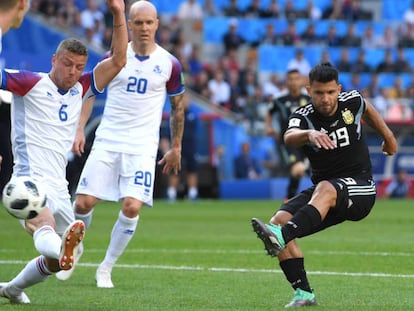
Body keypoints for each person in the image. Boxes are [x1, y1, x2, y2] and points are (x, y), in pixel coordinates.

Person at [0, 0, 128, 304]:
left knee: (59, 263)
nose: (72, 72)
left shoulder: (81, 88)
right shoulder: (28, 83)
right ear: (54, 59)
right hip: (28, 181)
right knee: (43, 227)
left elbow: (119, 60)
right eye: (67, 64)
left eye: (79, 67)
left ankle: (12, 289)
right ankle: (60, 246)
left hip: (59, 185)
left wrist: (119, 13)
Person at [56, 1, 185, 288]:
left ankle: (106, 268)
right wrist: (79, 129)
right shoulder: (114, 57)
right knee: (83, 202)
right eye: (137, 22)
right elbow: (89, 93)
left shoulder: (169, 63)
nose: (143, 28)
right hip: (108, 139)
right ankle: (75, 246)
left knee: (131, 207)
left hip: (142, 147)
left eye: (149, 22)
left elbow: (178, 108)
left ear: (157, 24)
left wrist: (176, 147)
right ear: (128, 23)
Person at [251, 62, 397, 308]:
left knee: (322, 192)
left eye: (331, 92)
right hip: (325, 192)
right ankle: (304, 293)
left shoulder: (352, 101)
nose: (326, 99)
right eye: (319, 93)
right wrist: (309, 134)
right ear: (309, 90)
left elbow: (367, 108)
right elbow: (288, 137)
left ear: (339, 89)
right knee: (278, 219)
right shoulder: (303, 117)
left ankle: (281, 237)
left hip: (360, 188)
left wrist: (389, 137)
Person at [265, 69, 310, 200]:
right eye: (291, 79)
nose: (294, 82)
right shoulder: (279, 99)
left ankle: (289, 200)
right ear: (286, 81)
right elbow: (269, 112)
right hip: (288, 142)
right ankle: (292, 199)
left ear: (301, 80)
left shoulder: (307, 98)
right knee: (299, 169)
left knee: (300, 172)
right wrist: (268, 127)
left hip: (306, 140)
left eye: (296, 79)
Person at [167, 93, 198, 202]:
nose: (185, 102)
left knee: (192, 169)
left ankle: (192, 193)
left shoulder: (192, 116)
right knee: (175, 170)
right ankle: (171, 193)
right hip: (176, 147)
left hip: (189, 147)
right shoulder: (174, 116)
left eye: (187, 99)